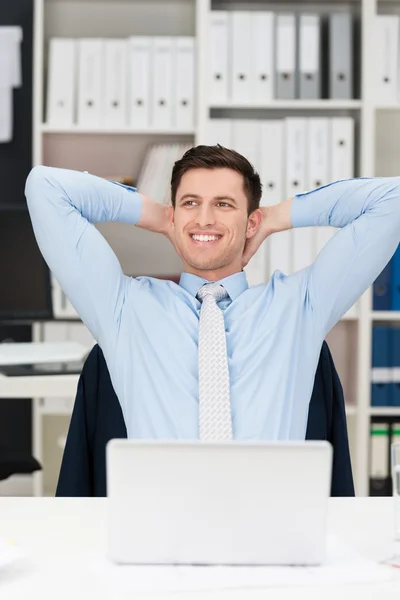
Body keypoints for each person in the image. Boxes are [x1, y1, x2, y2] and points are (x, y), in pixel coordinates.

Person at [25, 145, 400, 441]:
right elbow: (44, 188)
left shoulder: (301, 305)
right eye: (191, 203)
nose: (204, 219)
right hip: (160, 528)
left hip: (269, 528)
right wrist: (157, 215)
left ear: (250, 220)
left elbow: (392, 199)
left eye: (223, 204)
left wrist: (275, 217)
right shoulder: (124, 309)